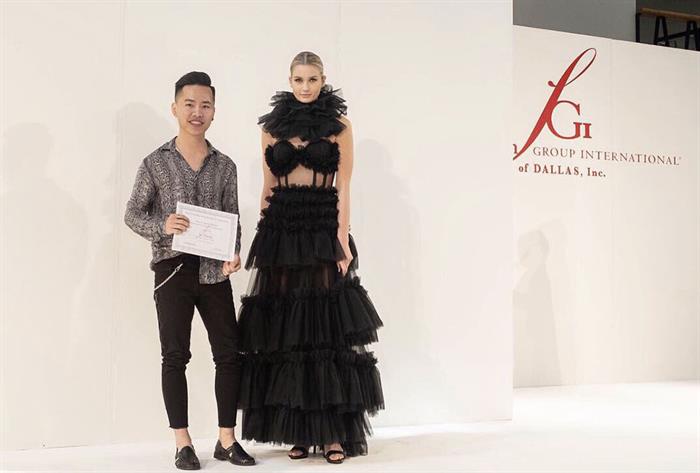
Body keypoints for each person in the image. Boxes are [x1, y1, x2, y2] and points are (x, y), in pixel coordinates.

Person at [237, 51, 385, 465]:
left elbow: (344, 185)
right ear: (290, 80)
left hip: (321, 226)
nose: (305, 87)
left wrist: (341, 239)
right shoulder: (271, 127)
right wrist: (263, 236)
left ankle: (333, 434)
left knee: (325, 331)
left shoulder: (340, 126)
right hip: (282, 229)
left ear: (323, 80)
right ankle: (299, 431)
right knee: (288, 332)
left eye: (312, 79)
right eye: (299, 80)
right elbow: (268, 186)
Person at [124, 71, 256, 470]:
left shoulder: (225, 166)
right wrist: (162, 225)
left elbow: (232, 217)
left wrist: (233, 253)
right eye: (190, 104)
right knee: (175, 355)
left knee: (229, 354)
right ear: (175, 108)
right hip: (172, 270)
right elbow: (132, 214)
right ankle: (182, 442)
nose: (197, 112)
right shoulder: (155, 163)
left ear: (214, 112)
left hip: (215, 273)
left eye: (205, 105)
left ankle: (226, 440)